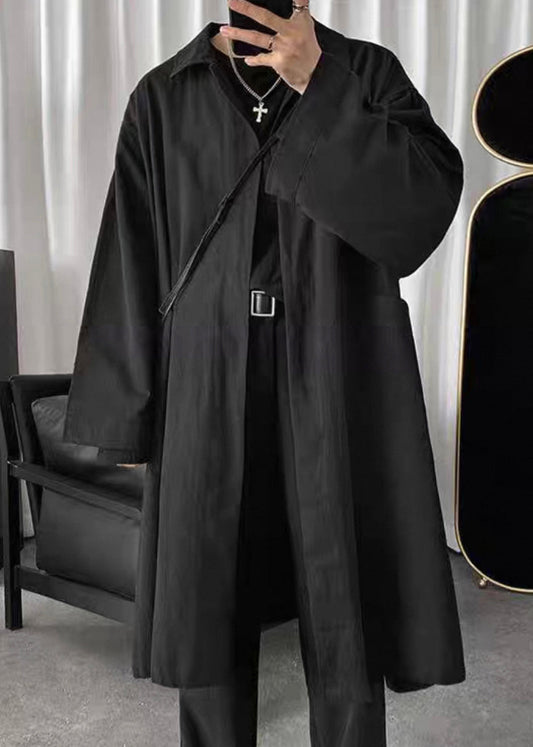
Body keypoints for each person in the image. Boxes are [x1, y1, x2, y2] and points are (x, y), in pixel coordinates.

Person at [62, 1, 466, 745]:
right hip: (206, 370)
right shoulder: (165, 94)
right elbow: (130, 253)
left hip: (340, 360)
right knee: (208, 593)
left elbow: (421, 214)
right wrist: (128, 413)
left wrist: (319, 83)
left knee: (343, 591)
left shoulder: (364, 72)